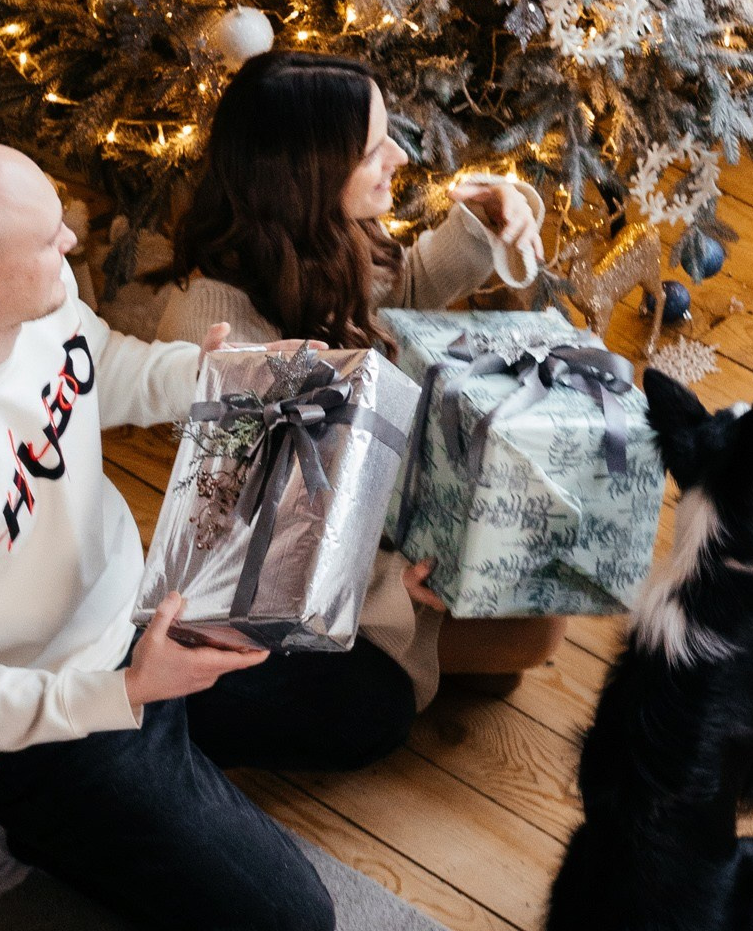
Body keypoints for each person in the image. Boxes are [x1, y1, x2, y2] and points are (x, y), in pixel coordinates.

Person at [0, 139, 359, 931]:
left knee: (378, 703)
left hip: (142, 614)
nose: (70, 240)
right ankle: (27, 820)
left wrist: (216, 375)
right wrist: (128, 692)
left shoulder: (36, 302)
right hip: (54, 718)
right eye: (47, 237)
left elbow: (103, 368)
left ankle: (149, 774)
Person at [152, 50, 564, 701]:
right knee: (527, 635)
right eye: (373, 150)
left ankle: (448, 649)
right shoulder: (217, 328)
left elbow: (393, 304)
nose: (398, 157)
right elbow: (244, 524)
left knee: (537, 601)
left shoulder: (327, 234)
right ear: (308, 176)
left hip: (374, 495)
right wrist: (381, 586)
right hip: (298, 566)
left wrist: (480, 224)